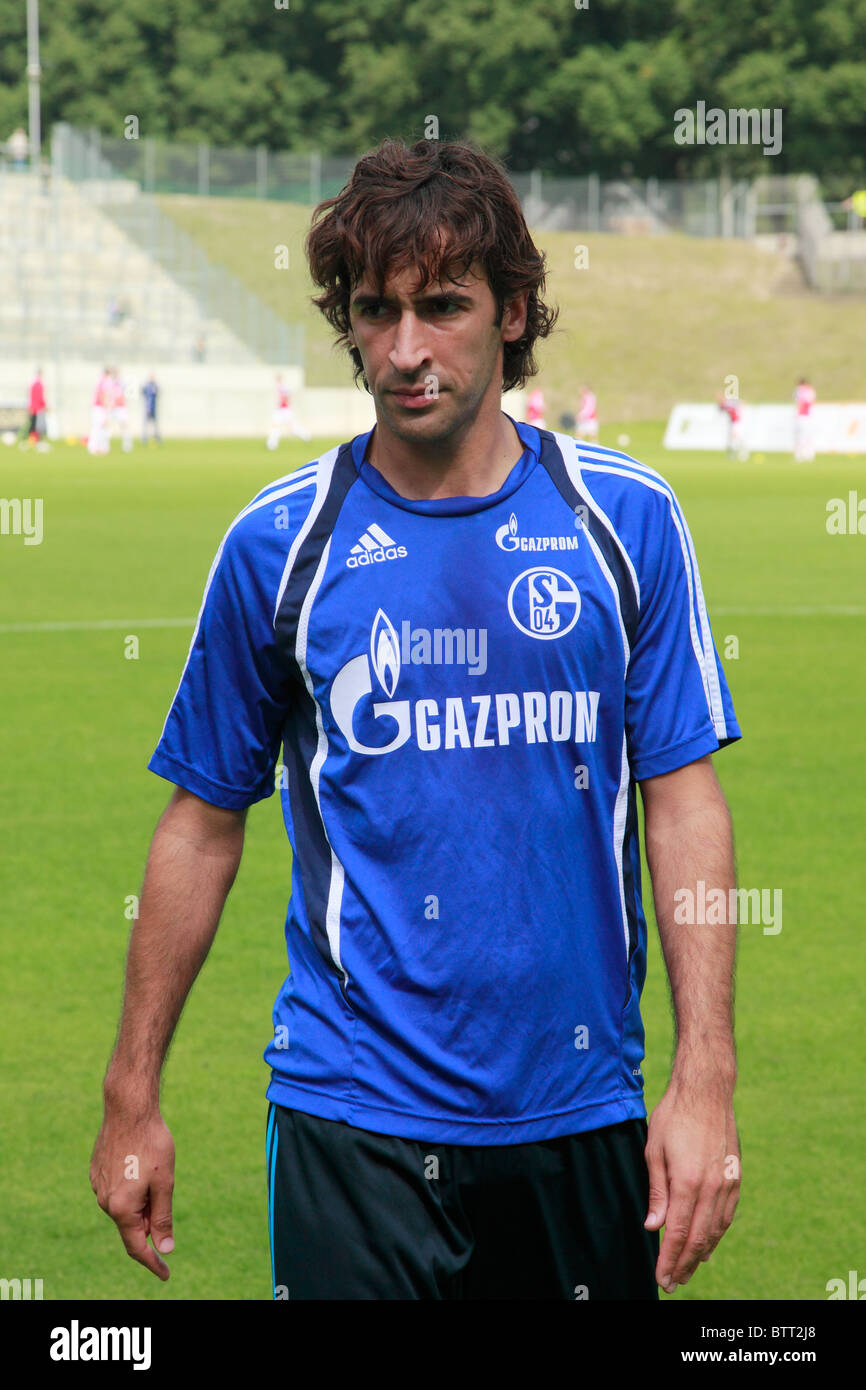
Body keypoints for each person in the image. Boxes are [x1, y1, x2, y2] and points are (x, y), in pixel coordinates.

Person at [91, 138, 743, 1302]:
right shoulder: (277, 544)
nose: (404, 350)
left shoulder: (625, 519)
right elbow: (199, 825)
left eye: (442, 306)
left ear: (513, 313)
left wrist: (704, 1078)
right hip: (353, 1123)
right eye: (373, 311)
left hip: (580, 1107)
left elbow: (680, 797)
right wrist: (129, 1096)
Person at [266, 372, 310, 448]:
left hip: (284, 410)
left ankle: (306, 435)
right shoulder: (279, 387)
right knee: (275, 426)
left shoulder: (283, 387)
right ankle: (272, 444)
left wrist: (284, 403)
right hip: (280, 410)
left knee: (292, 428)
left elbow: (287, 397)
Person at [716, 390, 749, 461]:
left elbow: (741, 403)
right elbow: (720, 408)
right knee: (733, 438)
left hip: (737, 422)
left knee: (736, 437)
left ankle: (742, 452)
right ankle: (735, 453)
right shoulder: (726, 404)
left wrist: (741, 404)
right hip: (733, 423)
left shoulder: (730, 403)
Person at [87, 367, 111, 455]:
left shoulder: (101, 381)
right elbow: (102, 395)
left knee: (101, 427)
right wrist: (105, 408)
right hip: (100, 407)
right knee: (98, 427)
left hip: (99, 407)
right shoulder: (104, 381)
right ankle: (94, 447)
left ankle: (101, 447)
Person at [793, 376, 816, 462]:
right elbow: (813, 401)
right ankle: (809, 455)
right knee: (808, 436)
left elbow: (798, 402)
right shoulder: (811, 390)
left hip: (801, 416)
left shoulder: (798, 390)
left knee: (799, 436)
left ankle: (799, 455)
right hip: (809, 416)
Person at [27, 368, 47, 445]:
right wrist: (44, 405)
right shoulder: (39, 384)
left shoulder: (33, 384)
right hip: (38, 408)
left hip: (33, 407)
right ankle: (36, 440)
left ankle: (31, 440)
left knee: (33, 424)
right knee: (37, 425)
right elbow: (40, 397)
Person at [141, 374, 161, 445]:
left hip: (153, 408)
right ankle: (144, 438)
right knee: (146, 424)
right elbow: (143, 392)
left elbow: (157, 394)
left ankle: (157, 438)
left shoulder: (155, 386)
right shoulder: (147, 386)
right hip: (147, 408)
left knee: (155, 424)